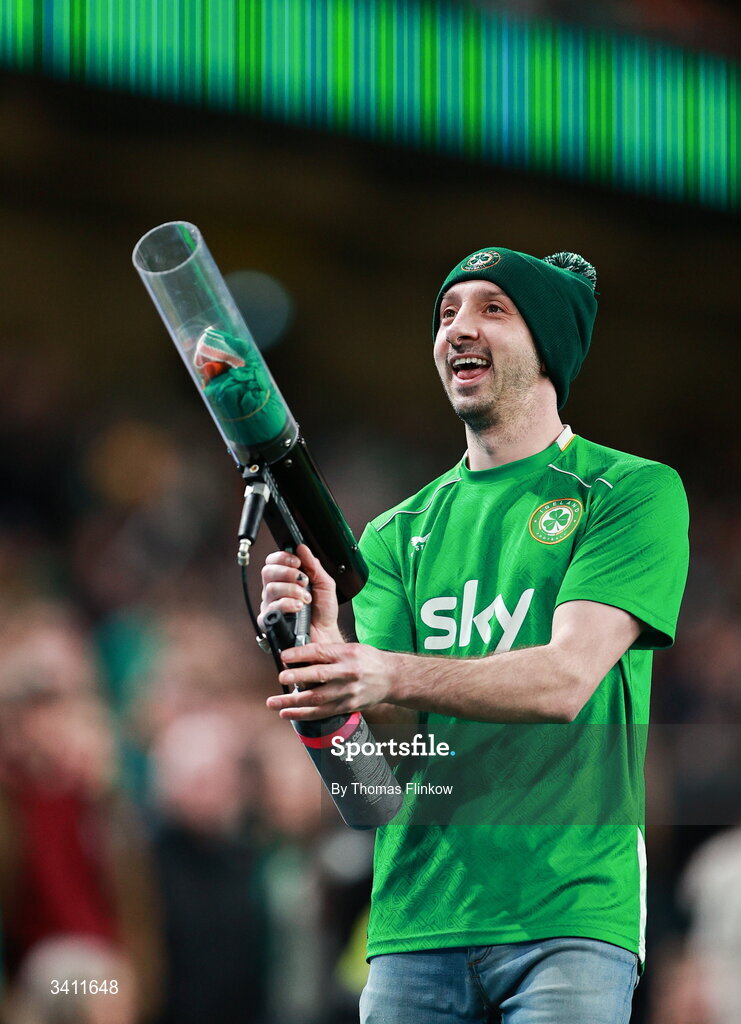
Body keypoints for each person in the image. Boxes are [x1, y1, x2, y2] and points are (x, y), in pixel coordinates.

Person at [259, 247, 690, 1023]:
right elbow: (378, 781)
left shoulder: (629, 492)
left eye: (493, 308)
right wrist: (325, 671)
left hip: (567, 919)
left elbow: (565, 680)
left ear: (547, 346)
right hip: (412, 926)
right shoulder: (394, 534)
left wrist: (382, 670)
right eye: (448, 312)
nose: (459, 327)